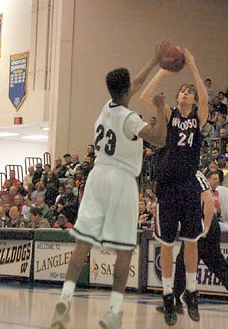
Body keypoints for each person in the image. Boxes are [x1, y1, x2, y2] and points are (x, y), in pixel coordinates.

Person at [51, 43, 169, 329]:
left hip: (97, 175)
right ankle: (114, 311)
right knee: (125, 249)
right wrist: (162, 109)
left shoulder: (107, 107)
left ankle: (65, 298)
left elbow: (134, 84)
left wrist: (154, 61)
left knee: (84, 242)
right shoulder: (129, 119)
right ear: (127, 91)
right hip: (120, 181)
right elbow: (158, 139)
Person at [139, 48, 209, 326]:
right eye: (182, 91)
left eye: (189, 92)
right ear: (177, 97)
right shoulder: (169, 115)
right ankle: (168, 296)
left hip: (189, 185)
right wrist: (163, 71)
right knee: (167, 245)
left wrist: (192, 65)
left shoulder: (197, 118)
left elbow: (204, 97)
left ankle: (191, 291)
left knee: (191, 242)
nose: (186, 94)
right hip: (167, 186)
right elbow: (145, 97)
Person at [157, 170, 228, 318]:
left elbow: (208, 200)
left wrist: (205, 227)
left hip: (203, 223)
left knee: (184, 262)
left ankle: (176, 302)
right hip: (204, 223)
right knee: (216, 264)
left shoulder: (192, 174)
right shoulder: (190, 174)